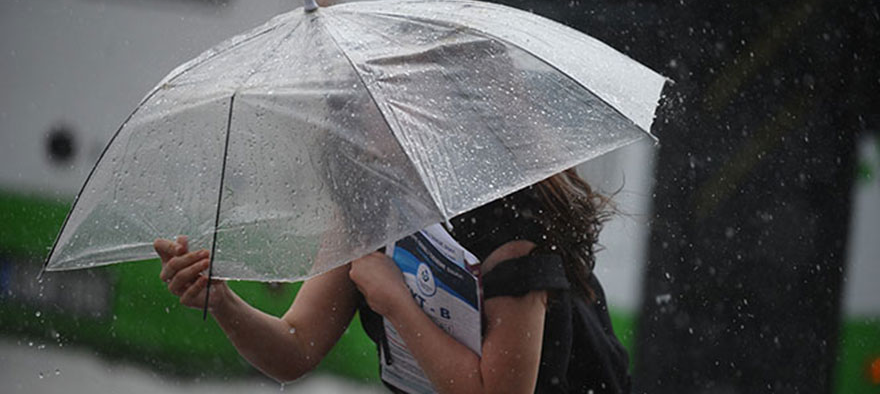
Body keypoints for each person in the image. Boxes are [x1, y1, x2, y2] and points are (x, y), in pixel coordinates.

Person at [154, 168, 630, 393]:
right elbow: (294, 348)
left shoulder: (511, 226)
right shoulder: (370, 202)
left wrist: (396, 303)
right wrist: (222, 302)